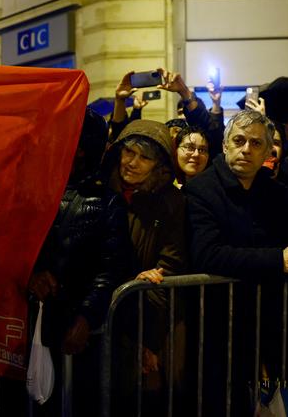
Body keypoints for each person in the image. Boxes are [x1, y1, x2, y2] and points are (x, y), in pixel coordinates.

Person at [184, 109, 288, 416]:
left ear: (268, 152)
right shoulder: (202, 190)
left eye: (256, 144)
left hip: (269, 321)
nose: (246, 149)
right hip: (218, 322)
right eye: (239, 140)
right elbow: (208, 254)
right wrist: (279, 259)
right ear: (225, 146)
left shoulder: (276, 193)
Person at [27, 108, 132, 417]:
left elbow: (111, 268)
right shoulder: (37, 190)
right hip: (31, 322)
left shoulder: (107, 202)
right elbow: (15, 244)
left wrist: (86, 317)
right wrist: (29, 274)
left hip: (78, 331)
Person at [103, 118, 187, 415]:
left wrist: (149, 340)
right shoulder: (103, 190)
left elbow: (170, 265)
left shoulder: (170, 201)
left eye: (144, 157)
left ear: (159, 164)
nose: (133, 163)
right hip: (100, 316)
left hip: (146, 317)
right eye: (129, 153)